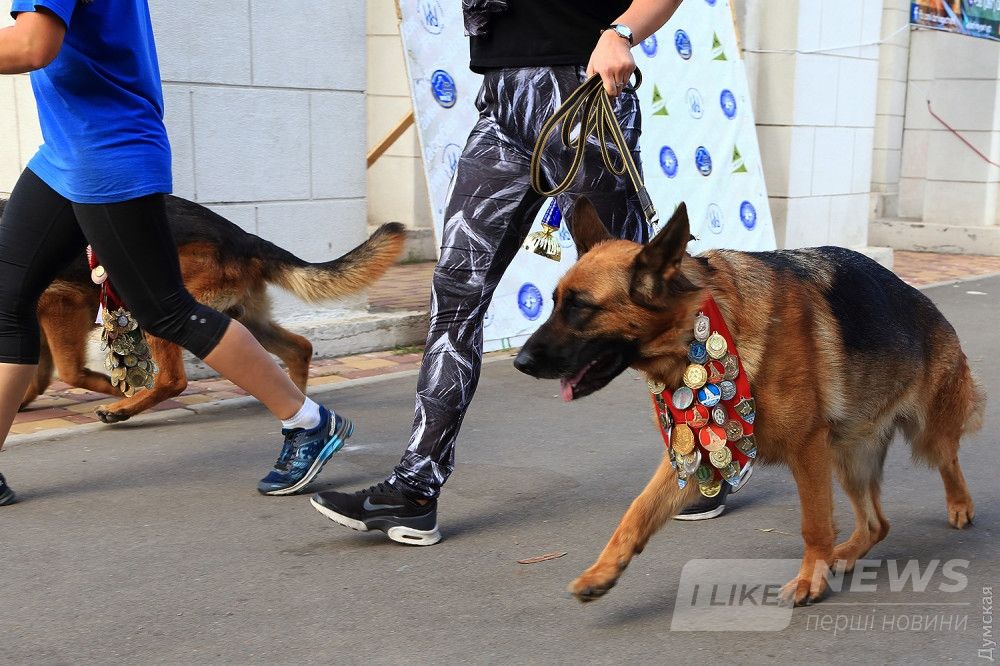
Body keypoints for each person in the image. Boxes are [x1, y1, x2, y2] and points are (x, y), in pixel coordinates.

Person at [310, 0, 733, 546]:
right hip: (502, 104)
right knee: (454, 293)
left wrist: (622, 32)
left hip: (583, 92)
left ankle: (710, 458)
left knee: (653, 303)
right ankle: (413, 491)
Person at [0, 0, 351, 506]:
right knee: (9, 298)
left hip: (107, 153)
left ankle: (310, 421)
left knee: (165, 311)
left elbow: (33, 45)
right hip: (64, 153)